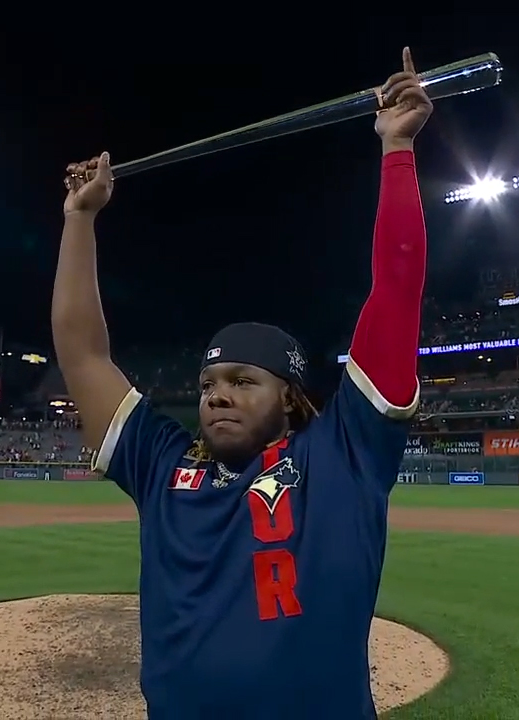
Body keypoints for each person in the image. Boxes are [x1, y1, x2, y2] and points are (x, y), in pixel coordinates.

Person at [51, 48, 430, 719]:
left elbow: (396, 291)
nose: (216, 394)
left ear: (289, 395)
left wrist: (396, 150)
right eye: (207, 383)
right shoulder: (163, 466)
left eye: (241, 381)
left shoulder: (345, 457)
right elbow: (82, 353)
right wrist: (79, 220)